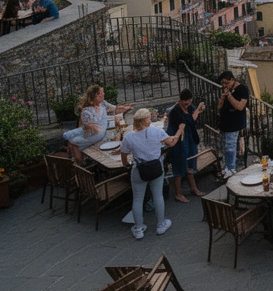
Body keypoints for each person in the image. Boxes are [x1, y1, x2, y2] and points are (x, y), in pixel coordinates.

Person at [119, 108, 184, 240]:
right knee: (158, 196)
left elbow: (124, 155)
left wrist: (126, 164)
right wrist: (179, 131)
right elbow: (171, 143)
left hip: (139, 169)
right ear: (145, 120)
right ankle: (160, 224)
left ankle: (138, 228)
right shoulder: (157, 131)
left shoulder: (128, 137)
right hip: (155, 168)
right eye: (149, 118)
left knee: (137, 199)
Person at [63, 84, 132, 161]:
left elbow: (115, 108)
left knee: (72, 140)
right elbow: (87, 127)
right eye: (102, 92)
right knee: (72, 139)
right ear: (96, 95)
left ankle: (79, 161)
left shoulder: (102, 103)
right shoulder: (87, 111)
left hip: (96, 135)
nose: (104, 94)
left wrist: (125, 107)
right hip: (92, 135)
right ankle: (79, 161)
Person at [165, 89, 205, 202]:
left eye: (189, 100)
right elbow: (190, 120)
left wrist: (198, 110)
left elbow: (193, 117)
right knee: (179, 165)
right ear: (180, 100)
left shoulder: (190, 107)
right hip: (179, 141)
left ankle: (194, 188)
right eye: (185, 101)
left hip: (190, 139)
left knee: (191, 164)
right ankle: (178, 193)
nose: (187, 103)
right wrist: (198, 110)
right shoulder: (175, 112)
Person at [217, 70, 249, 178]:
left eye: (226, 83)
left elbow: (240, 107)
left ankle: (231, 169)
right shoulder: (226, 90)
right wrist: (223, 96)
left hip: (234, 123)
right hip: (225, 124)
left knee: (230, 146)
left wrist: (229, 96)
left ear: (232, 80)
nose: (224, 85)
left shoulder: (242, 89)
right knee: (225, 147)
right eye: (222, 83)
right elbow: (219, 107)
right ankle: (227, 167)